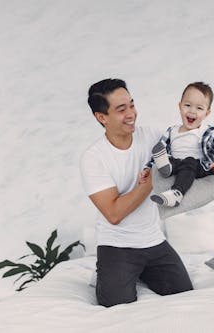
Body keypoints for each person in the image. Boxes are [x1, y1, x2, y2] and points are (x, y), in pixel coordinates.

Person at [80, 78, 193, 307]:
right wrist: (153, 178)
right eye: (121, 109)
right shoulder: (94, 158)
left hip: (153, 241)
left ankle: (140, 271)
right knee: (116, 307)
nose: (131, 113)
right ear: (101, 117)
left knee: (184, 296)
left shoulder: (152, 137)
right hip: (117, 245)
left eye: (132, 105)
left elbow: (185, 151)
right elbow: (113, 213)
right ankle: (106, 272)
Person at [150, 81, 214, 207]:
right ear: (180, 106)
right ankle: (167, 169)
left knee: (189, 161)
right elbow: (159, 151)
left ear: (207, 113)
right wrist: (148, 168)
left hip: (200, 167)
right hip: (177, 164)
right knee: (168, 159)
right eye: (187, 105)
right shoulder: (172, 131)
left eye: (199, 108)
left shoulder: (207, 131)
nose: (192, 111)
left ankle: (176, 194)